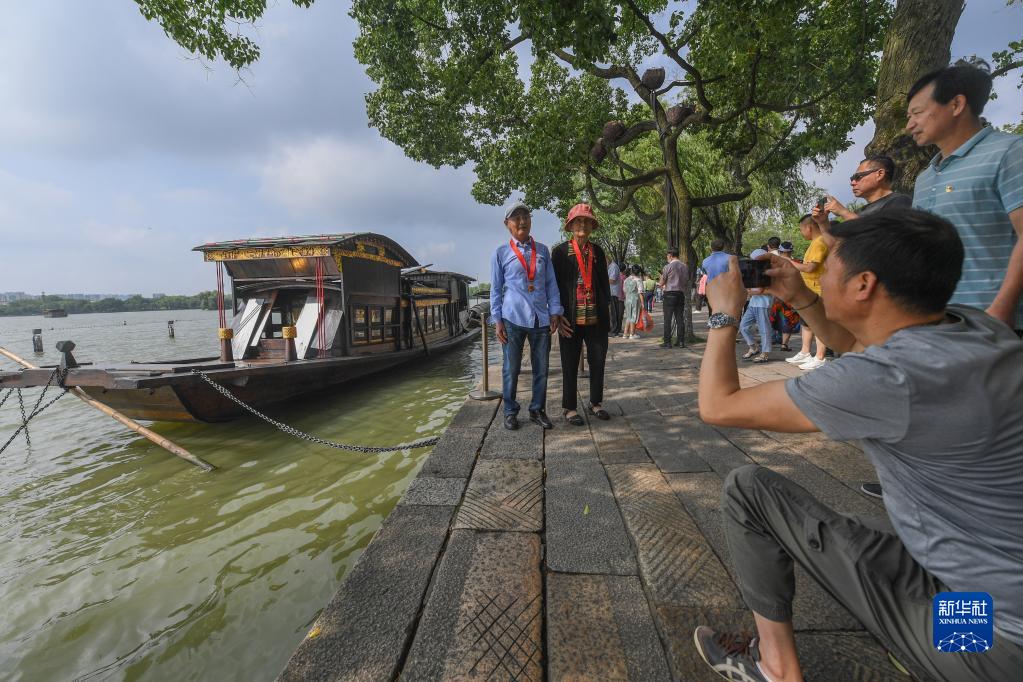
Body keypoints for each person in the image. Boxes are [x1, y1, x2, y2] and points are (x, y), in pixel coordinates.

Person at [693, 209, 1023, 682]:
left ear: (864, 284)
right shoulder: (976, 328)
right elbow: (859, 343)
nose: (819, 272)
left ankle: (776, 668)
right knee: (866, 530)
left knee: (749, 491)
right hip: (994, 580)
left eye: (828, 267)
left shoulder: (887, 380)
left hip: (991, 642)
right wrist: (802, 297)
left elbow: (718, 406)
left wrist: (724, 314)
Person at [907, 60, 1023, 334]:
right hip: (939, 324)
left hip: (999, 326)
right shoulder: (925, 178)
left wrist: (1000, 311)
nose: (910, 124)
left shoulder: (1009, 153)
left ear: (957, 105)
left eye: (917, 113)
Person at [489, 201, 563, 431]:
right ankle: (510, 411)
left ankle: (537, 409)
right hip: (512, 319)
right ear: (507, 224)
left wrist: (555, 311)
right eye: (516, 217)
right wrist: (497, 320)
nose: (522, 221)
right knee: (511, 368)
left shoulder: (542, 251)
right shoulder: (500, 253)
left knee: (541, 367)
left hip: (541, 319)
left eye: (525, 216)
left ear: (530, 220)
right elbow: (496, 289)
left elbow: (551, 283)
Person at [552, 203, 612, 425]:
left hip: (596, 317)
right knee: (569, 363)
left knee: (598, 360)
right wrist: (557, 315)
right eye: (578, 221)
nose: (583, 225)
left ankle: (596, 402)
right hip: (570, 318)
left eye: (587, 221)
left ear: (592, 226)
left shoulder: (597, 251)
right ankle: (569, 407)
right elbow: (554, 286)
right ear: (570, 226)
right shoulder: (559, 252)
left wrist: (608, 312)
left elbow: (605, 285)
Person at [816, 155, 913, 227]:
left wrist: (844, 212)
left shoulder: (900, 201)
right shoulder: (858, 212)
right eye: (852, 178)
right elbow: (835, 245)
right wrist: (823, 222)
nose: (852, 183)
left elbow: (885, 237)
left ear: (879, 174)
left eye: (858, 177)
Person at [784, 215, 828, 370]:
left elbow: (810, 268)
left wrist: (789, 262)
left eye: (801, 229)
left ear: (808, 227)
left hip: (818, 290)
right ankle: (805, 352)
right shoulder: (814, 243)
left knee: (818, 324)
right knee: (807, 324)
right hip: (809, 289)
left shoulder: (819, 242)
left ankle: (820, 357)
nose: (802, 232)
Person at [739, 249, 773, 363]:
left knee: (764, 329)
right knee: (743, 326)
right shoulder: (753, 271)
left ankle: (765, 353)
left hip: (763, 304)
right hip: (753, 303)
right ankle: (754, 347)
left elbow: (773, 290)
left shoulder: (770, 272)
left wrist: (753, 292)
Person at [659, 248, 689, 347]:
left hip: (669, 294)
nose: (667, 258)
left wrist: (661, 281)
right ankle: (681, 342)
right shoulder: (684, 266)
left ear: (671, 255)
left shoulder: (668, 266)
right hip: (680, 293)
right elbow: (686, 281)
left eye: (667, 256)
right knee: (679, 318)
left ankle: (667, 342)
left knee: (668, 319)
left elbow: (662, 282)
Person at [622, 264, 643, 339]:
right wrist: (643, 303)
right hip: (635, 299)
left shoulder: (626, 280)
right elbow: (640, 292)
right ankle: (632, 334)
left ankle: (625, 334)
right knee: (634, 316)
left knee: (628, 316)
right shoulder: (638, 280)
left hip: (627, 299)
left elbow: (624, 290)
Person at [607, 259, 624, 336]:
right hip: (612, 292)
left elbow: (612, 280)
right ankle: (614, 329)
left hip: (613, 292)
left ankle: (614, 330)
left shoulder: (613, 267)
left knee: (614, 312)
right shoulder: (610, 266)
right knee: (613, 312)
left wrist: (602, 279)